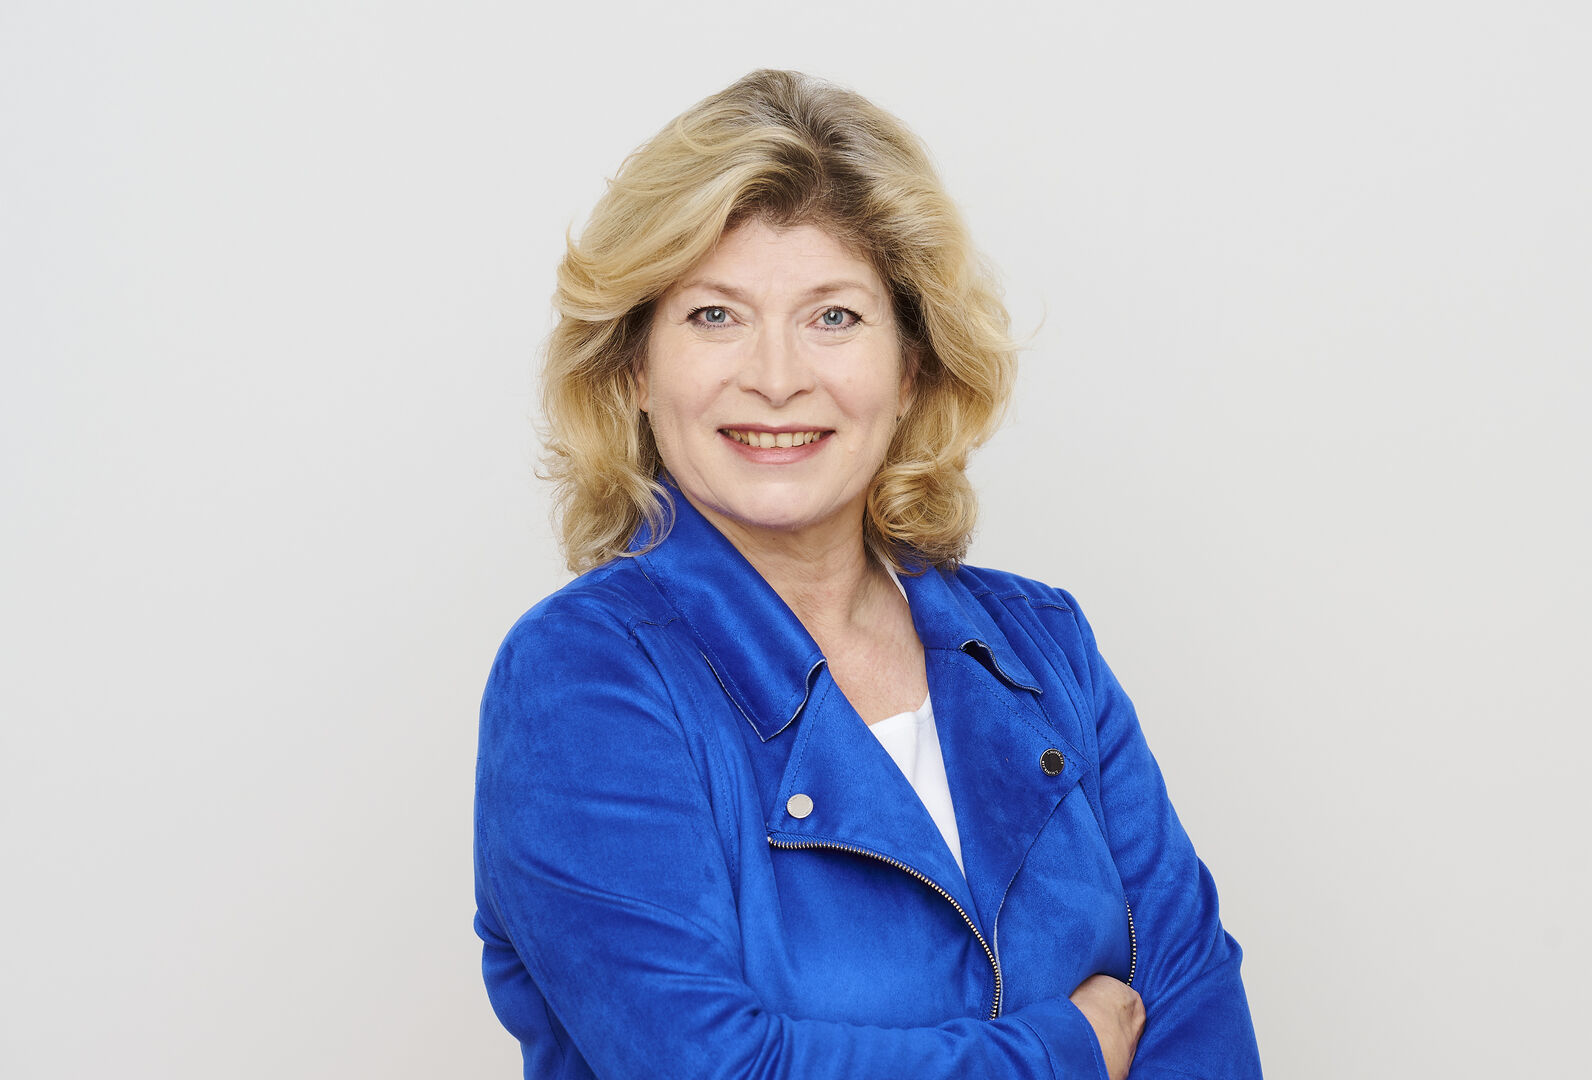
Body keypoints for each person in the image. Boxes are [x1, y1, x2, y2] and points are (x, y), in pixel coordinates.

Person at [474, 69, 1261, 1080]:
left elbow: (1194, 1005)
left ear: (912, 366)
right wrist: (1063, 1051)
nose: (775, 377)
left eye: (834, 318)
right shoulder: (581, 679)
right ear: (634, 367)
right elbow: (717, 1071)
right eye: (714, 316)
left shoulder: (1044, 646)